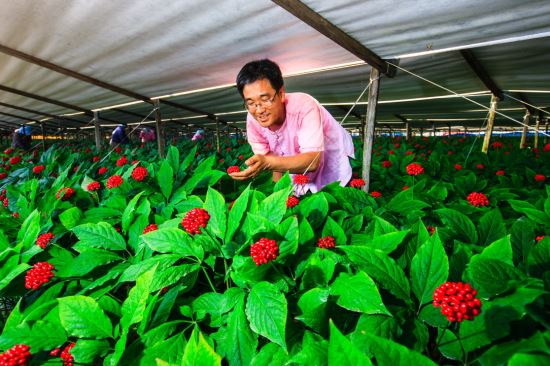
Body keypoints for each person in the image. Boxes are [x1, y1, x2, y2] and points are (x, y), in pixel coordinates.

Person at [229, 59, 354, 194]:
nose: (259, 110)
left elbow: (312, 161)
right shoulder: (253, 119)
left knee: (333, 199)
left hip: (330, 161)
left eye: (265, 99)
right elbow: (271, 159)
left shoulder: (304, 106)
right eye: (251, 103)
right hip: (297, 165)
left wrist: (267, 163)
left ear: (281, 94)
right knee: (298, 201)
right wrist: (277, 194)